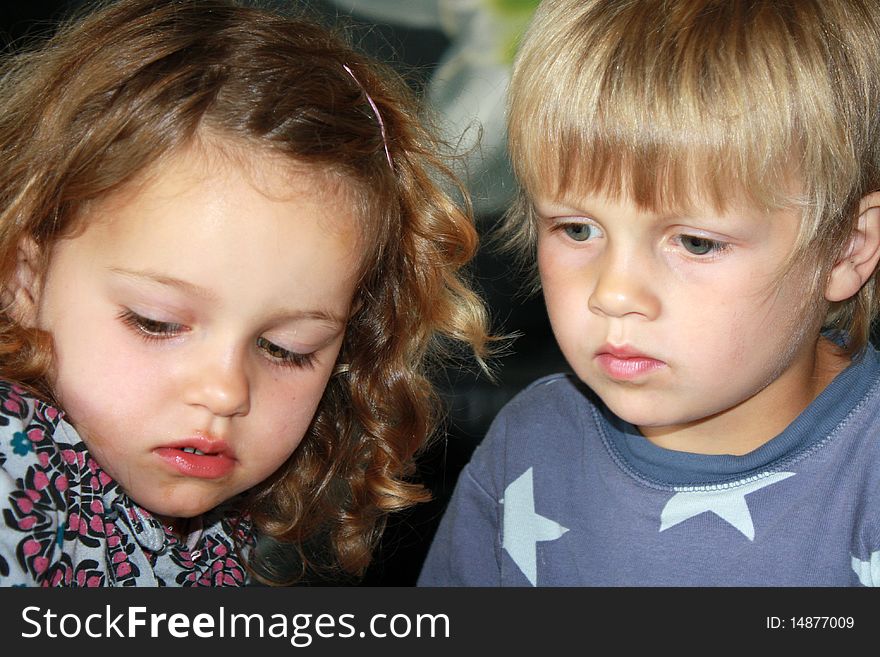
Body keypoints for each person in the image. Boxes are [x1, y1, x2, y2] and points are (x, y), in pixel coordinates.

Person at [0, 0, 490, 587]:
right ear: (21, 278)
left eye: (287, 348)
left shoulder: (217, 524)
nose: (225, 391)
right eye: (156, 323)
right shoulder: (12, 457)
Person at [418, 0, 880, 586]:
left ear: (846, 248)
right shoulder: (527, 449)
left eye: (694, 243)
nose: (612, 294)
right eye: (578, 229)